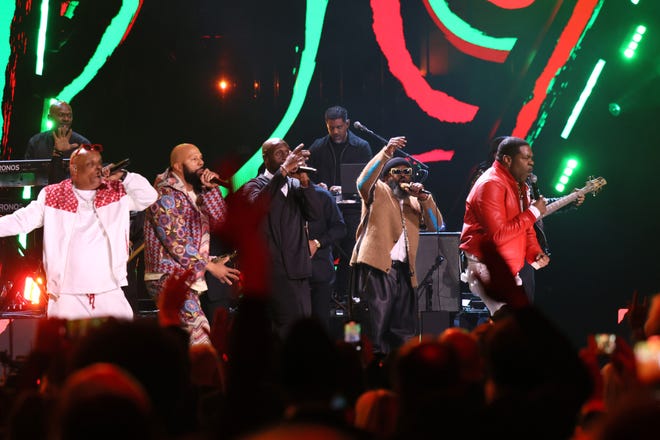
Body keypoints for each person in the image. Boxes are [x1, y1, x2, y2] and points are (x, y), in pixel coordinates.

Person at [0, 143, 157, 319]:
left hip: (109, 291)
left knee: (120, 344)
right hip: (66, 296)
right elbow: (21, 221)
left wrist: (125, 176)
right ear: (74, 169)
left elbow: (149, 196)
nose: (99, 169)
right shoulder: (53, 195)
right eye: (91, 164)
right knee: (66, 345)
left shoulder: (116, 192)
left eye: (100, 163)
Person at [350, 136, 443, 356]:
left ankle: (399, 371)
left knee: (404, 331)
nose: (403, 176)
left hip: (403, 272)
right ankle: (363, 366)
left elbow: (437, 225)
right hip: (375, 269)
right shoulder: (378, 191)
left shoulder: (414, 202)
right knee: (370, 327)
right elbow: (362, 182)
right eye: (397, 172)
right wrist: (386, 152)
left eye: (407, 172)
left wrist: (424, 198)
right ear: (386, 176)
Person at [466, 136, 584, 302]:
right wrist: (532, 212)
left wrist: (569, 201)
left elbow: (535, 209)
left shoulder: (521, 180)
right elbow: (498, 229)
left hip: (519, 251)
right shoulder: (488, 180)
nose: (529, 163)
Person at [143, 143, 240, 345]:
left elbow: (222, 221)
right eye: (194, 159)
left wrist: (211, 191)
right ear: (178, 166)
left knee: (185, 341)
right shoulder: (164, 194)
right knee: (200, 337)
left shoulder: (196, 193)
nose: (201, 163)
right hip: (168, 277)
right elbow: (176, 241)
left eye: (201, 158)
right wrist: (210, 266)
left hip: (187, 274)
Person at [240, 138, 322, 339]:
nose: (286, 157)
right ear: (265, 158)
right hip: (275, 271)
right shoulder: (254, 185)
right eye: (279, 153)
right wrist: (283, 171)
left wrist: (305, 182)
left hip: (299, 269)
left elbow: (315, 214)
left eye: (288, 152)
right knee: (286, 326)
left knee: (304, 326)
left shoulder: (294, 185)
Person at [460, 136, 549, 316]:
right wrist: (533, 212)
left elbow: (527, 227)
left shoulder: (519, 185)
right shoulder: (490, 184)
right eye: (525, 158)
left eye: (532, 158)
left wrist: (534, 253)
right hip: (486, 266)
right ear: (507, 159)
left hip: (508, 267)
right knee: (509, 326)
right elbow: (498, 235)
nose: (531, 163)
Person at [307, 105, 373, 309]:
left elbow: (369, 181)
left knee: (350, 252)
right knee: (321, 248)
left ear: (347, 124)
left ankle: (344, 293)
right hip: (324, 211)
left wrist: (346, 188)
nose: (335, 132)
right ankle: (325, 292)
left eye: (338, 127)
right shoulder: (318, 146)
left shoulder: (361, 146)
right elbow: (307, 175)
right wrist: (316, 185)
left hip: (352, 210)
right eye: (331, 127)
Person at [308, 184, 346, 332]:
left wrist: (317, 243)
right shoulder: (282, 196)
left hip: (320, 271)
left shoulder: (322, 195)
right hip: (289, 274)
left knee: (320, 326)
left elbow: (340, 228)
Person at [25, 100, 90, 160]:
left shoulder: (82, 143)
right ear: (50, 117)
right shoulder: (36, 141)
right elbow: (27, 170)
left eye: (69, 116)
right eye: (61, 115)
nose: (66, 119)